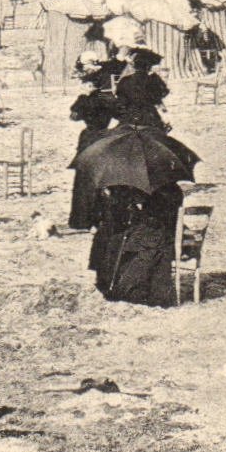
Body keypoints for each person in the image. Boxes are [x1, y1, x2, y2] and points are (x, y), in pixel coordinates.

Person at [87, 182, 183, 306]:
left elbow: (153, 220)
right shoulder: (173, 189)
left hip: (154, 240)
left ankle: (113, 283)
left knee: (120, 244)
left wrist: (135, 209)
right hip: (161, 238)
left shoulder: (161, 193)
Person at [67, 63, 119, 230]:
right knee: (103, 177)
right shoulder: (108, 99)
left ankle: (83, 219)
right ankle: (103, 217)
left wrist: (81, 105)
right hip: (104, 137)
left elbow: (74, 117)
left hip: (89, 138)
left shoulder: (84, 100)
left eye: (85, 84)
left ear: (90, 85)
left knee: (85, 178)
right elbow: (120, 115)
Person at [115, 47, 169, 130]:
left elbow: (120, 101)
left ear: (135, 66)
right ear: (148, 67)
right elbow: (161, 94)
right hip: (149, 117)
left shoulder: (124, 80)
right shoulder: (153, 79)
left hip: (129, 117)